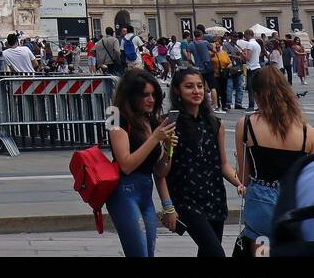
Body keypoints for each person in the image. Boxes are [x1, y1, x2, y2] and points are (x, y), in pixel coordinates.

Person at [158, 67, 238, 256]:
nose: (196, 91)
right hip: (187, 200)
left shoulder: (215, 123)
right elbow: (161, 171)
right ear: (177, 90)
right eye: (189, 87)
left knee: (208, 253)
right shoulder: (168, 123)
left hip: (215, 198)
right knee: (216, 253)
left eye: (200, 86)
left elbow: (223, 165)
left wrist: (240, 183)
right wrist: (168, 206)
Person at [236, 64, 314, 253]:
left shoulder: (246, 124)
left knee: (261, 251)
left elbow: (244, 177)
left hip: (260, 203)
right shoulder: (307, 132)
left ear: (256, 95)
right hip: (291, 204)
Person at [106, 69, 176, 257]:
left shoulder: (151, 121)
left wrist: (168, 148)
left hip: (145, 193)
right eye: (145, 95)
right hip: (124, 193)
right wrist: (154, 138)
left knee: (149, 252)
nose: (151, 100)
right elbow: (126, 165)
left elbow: (160, 172)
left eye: (154, 95)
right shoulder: (114, 116)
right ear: (131, 96)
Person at [239, 30, 263, 109]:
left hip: (251, 68)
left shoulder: (250, 44)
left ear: (247, 34)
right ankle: (260, 105)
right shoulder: (257, 44)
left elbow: (248, 58)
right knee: (257, 88)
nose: (244, 37)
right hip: (257, 66)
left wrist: (242, 53)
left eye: (245, 35)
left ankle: (251, 105)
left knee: (251, 88)